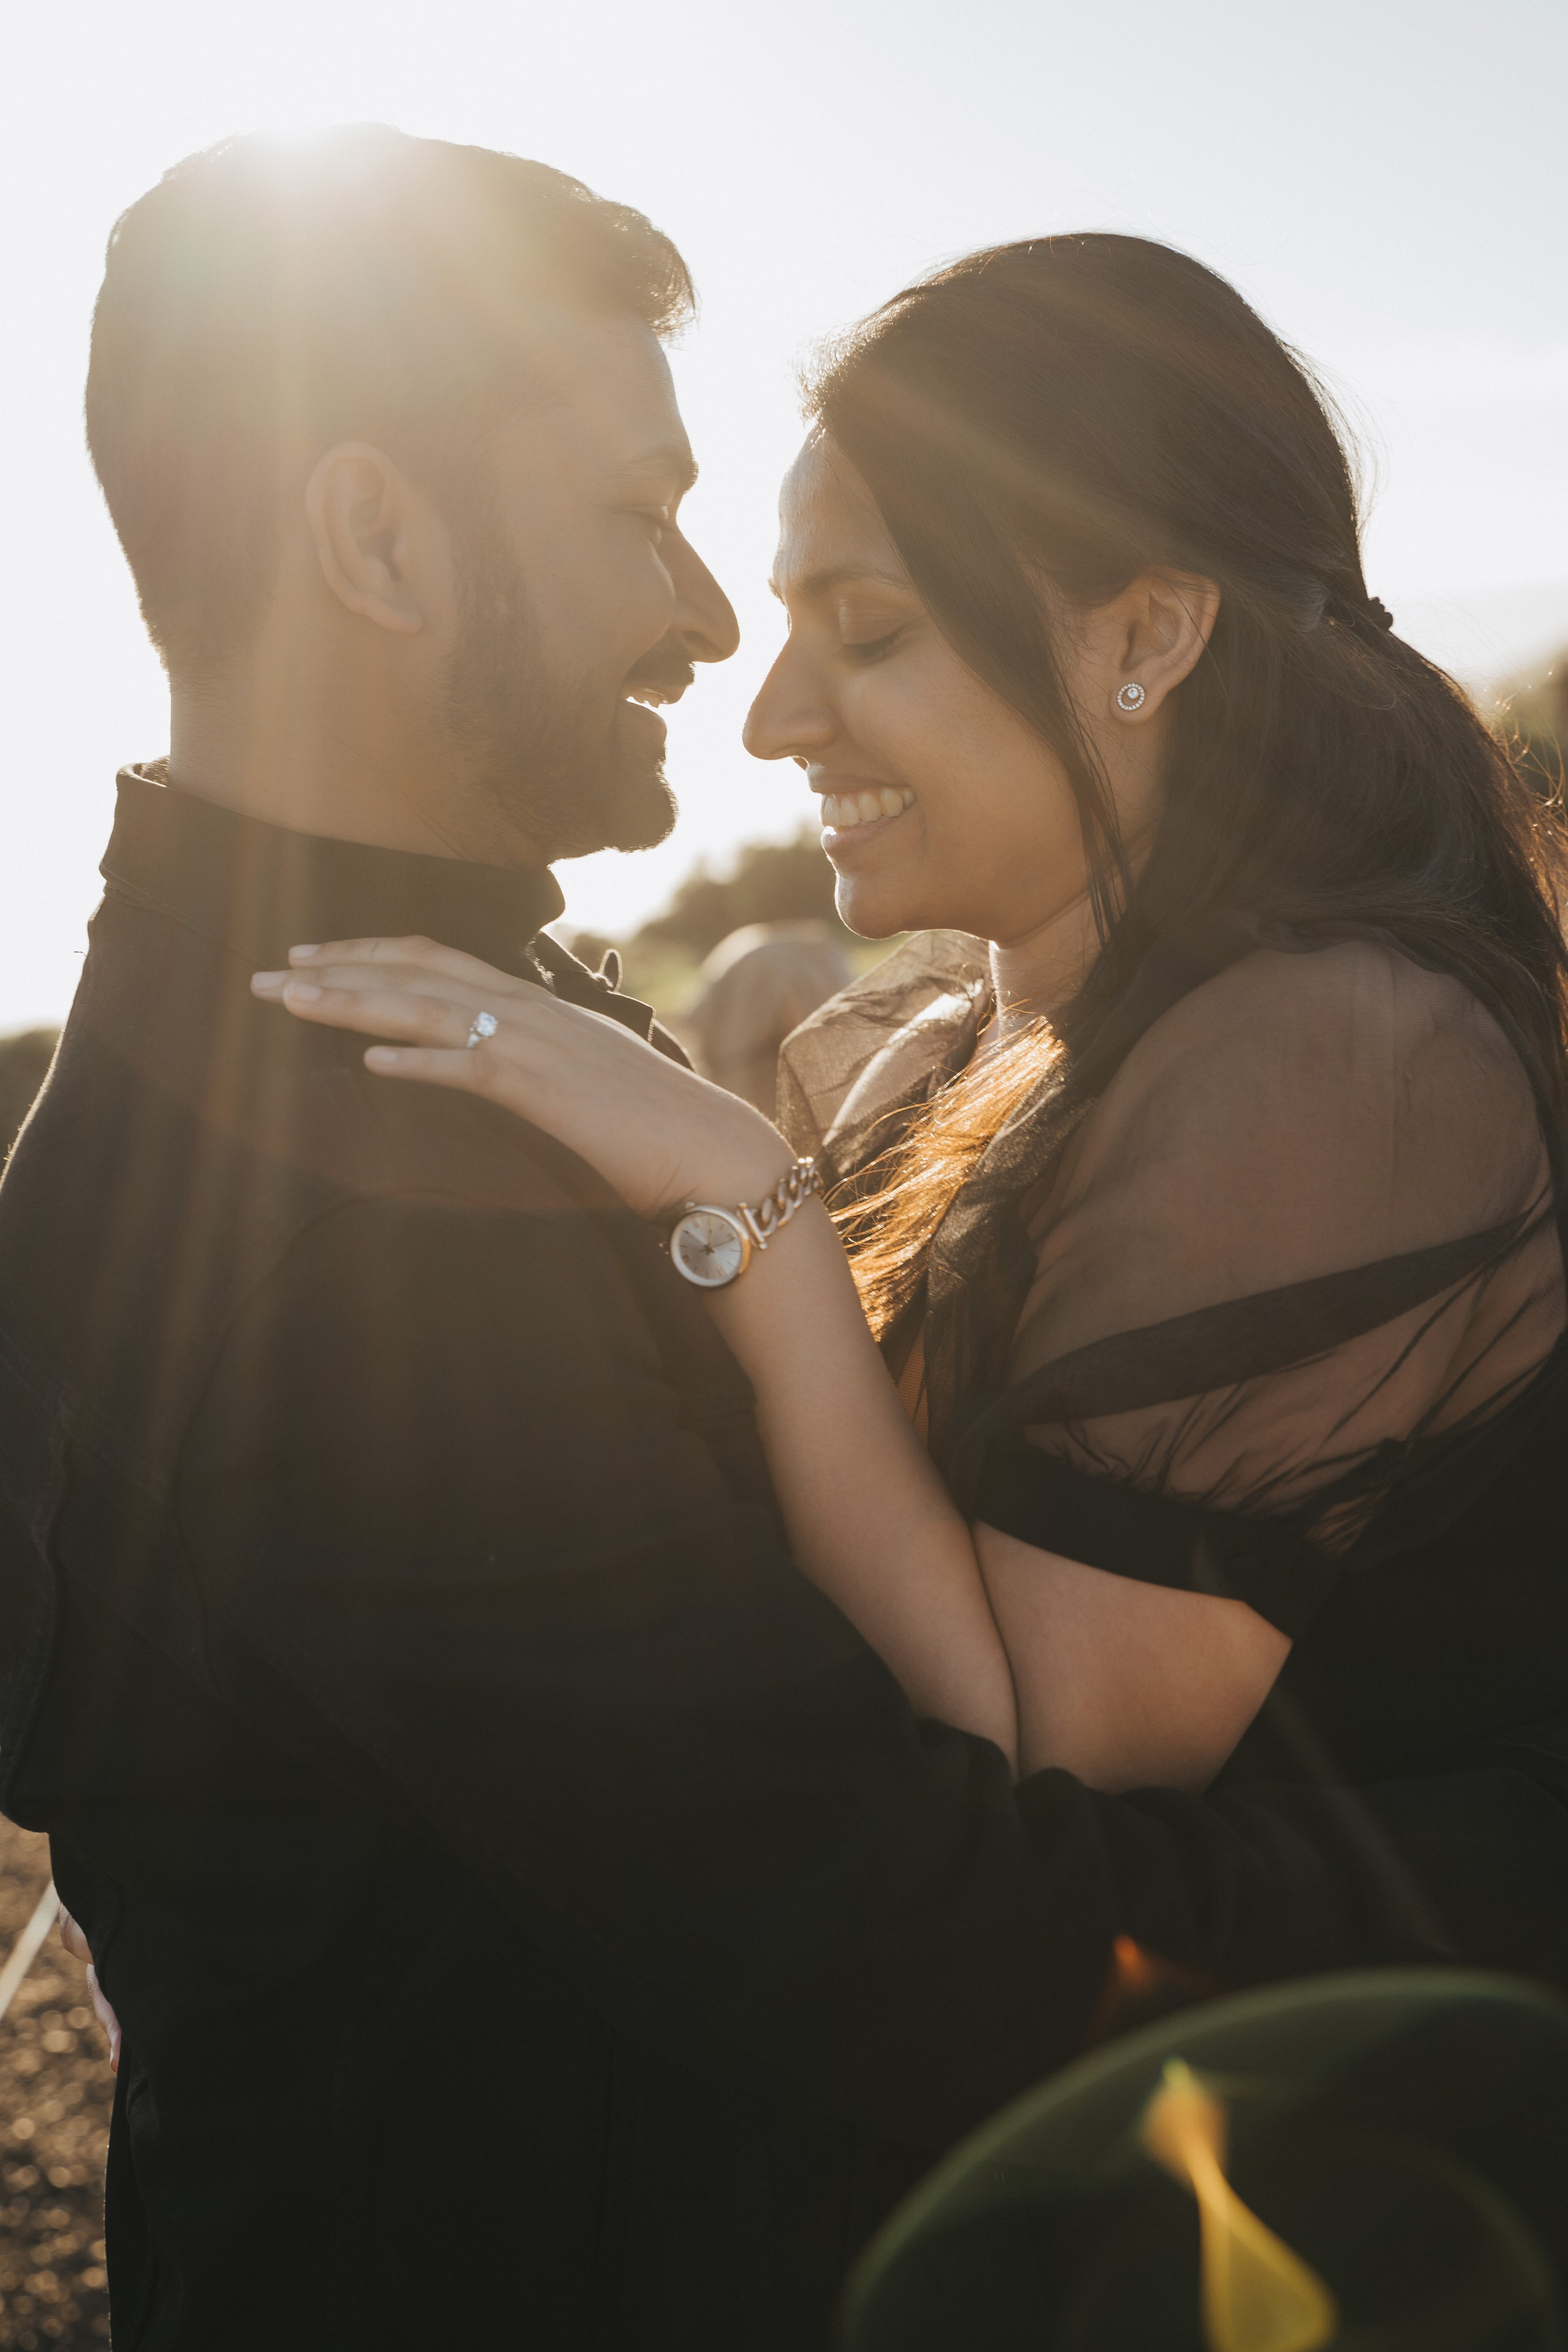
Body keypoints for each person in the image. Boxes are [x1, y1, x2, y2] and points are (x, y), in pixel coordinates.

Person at [0, 127, 1560, 2352]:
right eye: (642, 514)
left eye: (860, 614)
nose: (717, 632)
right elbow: (906, 1935)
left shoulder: (432, 1040)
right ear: (377, 538)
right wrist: (1504, 1886)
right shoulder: (334, 1189)